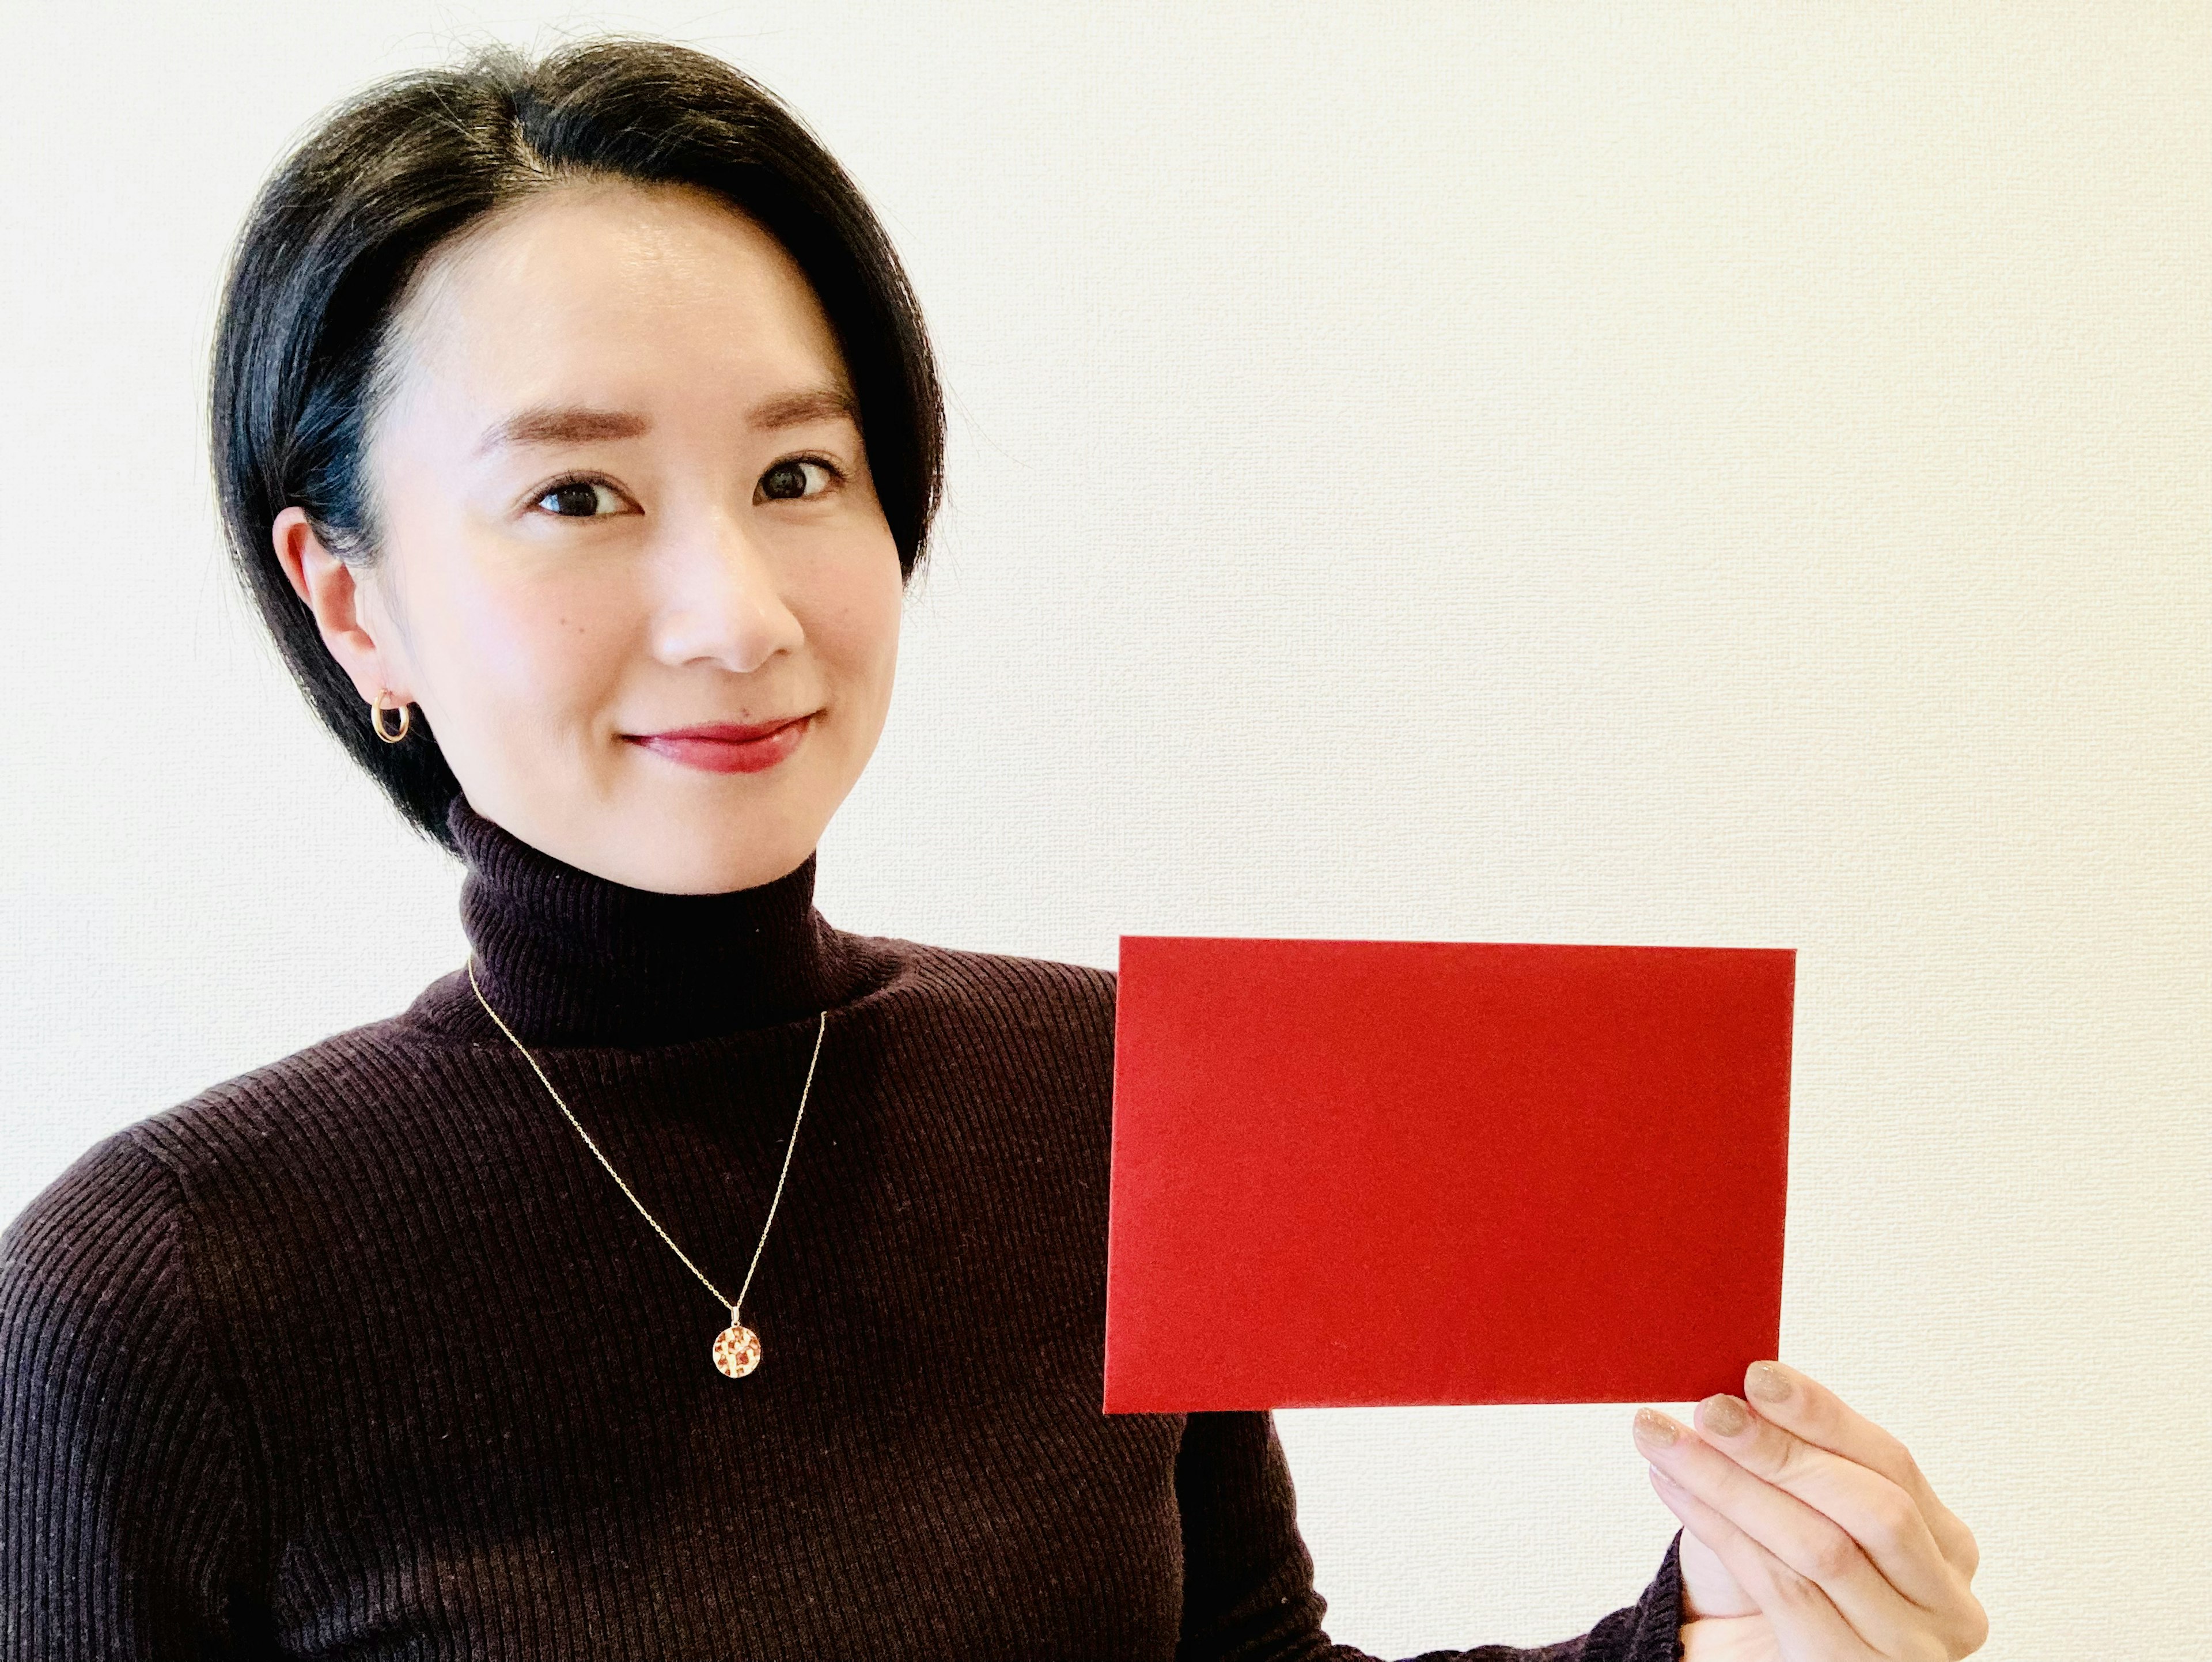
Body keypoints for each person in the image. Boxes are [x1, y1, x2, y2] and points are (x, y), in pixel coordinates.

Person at [0, 38, 1985, 1662]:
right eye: (580, 493)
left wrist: (1717, 1639)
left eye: (799, 472)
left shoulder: (1112, 1102)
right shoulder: (154, 1295)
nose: (737, 612)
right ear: (349, 601)